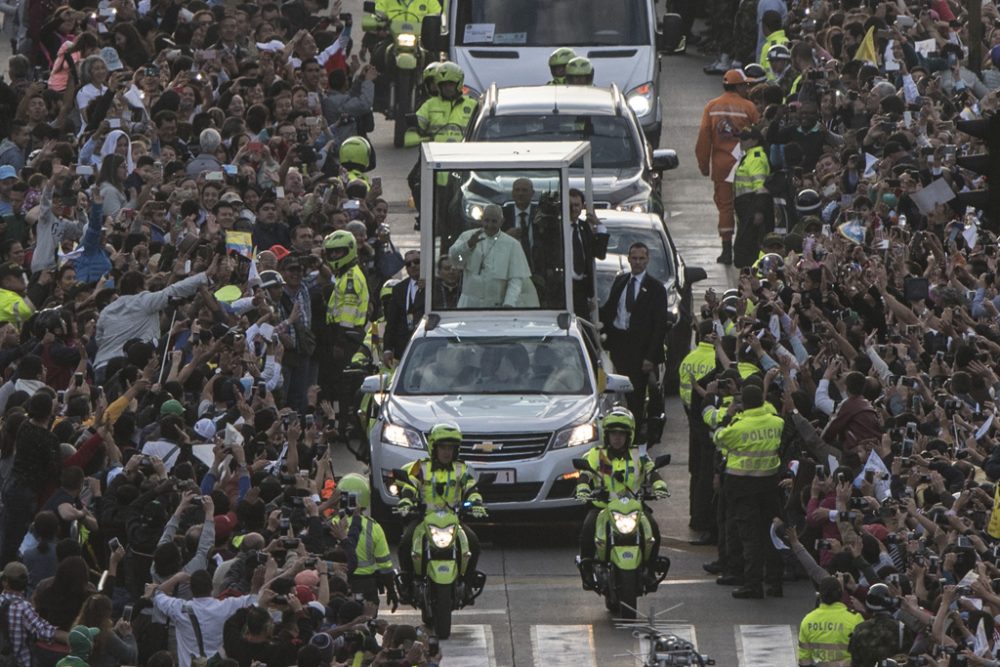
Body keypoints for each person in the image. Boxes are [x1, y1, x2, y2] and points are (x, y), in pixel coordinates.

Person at [575, 408, 669, 587]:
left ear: (629, 436)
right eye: (613, 434)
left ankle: (649, 569)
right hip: (603, 506)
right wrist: (582, 488)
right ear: (607, 435)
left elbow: (651, 471)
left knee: (653, 529)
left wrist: (659, 485)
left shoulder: (638, 455)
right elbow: (585, 473)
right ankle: (587, 571)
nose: (617, 438)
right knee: (588, 528)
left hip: (634, 507)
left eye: (621, 434)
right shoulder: (598, 454)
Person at [395, 422, 486, 602]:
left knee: (473, 542)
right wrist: (406, 501)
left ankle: (467, 585)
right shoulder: (420, 467)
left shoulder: (462, 469)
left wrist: (476, 502)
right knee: (405, 542)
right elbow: (410, 485)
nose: (447, 452)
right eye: (443, 447)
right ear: (434, 448)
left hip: (453, 521)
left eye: (451, 448)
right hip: (424, 520)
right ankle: (406, 584)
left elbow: (471, 488)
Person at [712, 383, 784, 599]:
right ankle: (774, 583)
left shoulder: (738, 427)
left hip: (743, 488)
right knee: (771, 534)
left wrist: (728, 417)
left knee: (749, 537)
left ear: (743, 403)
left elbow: (718, 438)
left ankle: (753, 584)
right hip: (770, 486)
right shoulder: (777, 422)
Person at [598, 242, 669, 427]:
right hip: (619, 346)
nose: (637, 262)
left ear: (647, 260)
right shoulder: (621, 281)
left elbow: (659, 326)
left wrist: (650, 358)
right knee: (614, 391)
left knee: (635, 396)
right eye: (634, 258)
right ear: (628, 259)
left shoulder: (656, 289)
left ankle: (636, 433)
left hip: (640, 351)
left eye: (641, 259)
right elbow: (609, 310)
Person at [695, 69, 760, 265]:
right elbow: (759, 135)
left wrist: (704, 165)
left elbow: (704, 138)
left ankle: (726, 250)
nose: (747, 88)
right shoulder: (749, 107)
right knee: (746, 204)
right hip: (746, 165)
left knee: (725, 207)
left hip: (721, 166)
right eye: (745, 85)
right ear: (737, 86)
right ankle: (745, 246)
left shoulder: (712, 107)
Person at [404, 62, 478, 230]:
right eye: (444, 85)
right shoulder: (430, 105)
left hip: (463, 160)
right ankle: (425, 214)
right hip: (434, 159)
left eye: (451, 84)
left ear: (458, 84)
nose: (447, 88)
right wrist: (422, 135)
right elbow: (415, 128)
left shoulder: (472, 105)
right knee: (414, 180)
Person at [150, 569, 260, 667]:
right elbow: (254, 602)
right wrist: (255, 586)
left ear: (191, 589)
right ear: (211, 586)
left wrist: (177, 577)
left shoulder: (179, 609)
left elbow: (157, 593)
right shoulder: (227, 606)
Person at [321, 230, 370, 424]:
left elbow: (348, 313)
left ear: (349, 251)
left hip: (347, 336)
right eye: (331, 253)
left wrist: (340, 342)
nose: (334, 257)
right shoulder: (346, 274)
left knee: (344, 384)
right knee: (341, 383)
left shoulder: (350, 277)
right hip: (346, 335)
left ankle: (345, 424)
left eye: (338, 252)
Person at [448, 204, 537, 309]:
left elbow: (516, 279)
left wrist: (509, 303)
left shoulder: (512, 244)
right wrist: (468, 246)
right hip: (469, 304)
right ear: (482, 220)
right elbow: (456, 260)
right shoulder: (467, 236)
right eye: (486, 220)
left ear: (502, 221)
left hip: (496, 305)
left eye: (494, 221)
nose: (490, 225)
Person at [337, 473, 398, 610]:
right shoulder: (373, 527)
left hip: (338, 585)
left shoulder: (332, 524)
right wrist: (391, 591)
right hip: (367, 587)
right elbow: (385, 566)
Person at [0, 561, 68, 666]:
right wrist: (72, 637)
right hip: (20, 662)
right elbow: (44, 631)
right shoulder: (23, 608)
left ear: (5, 582)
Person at [798, 576, 861, 667]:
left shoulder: (808, 621)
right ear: (841, 594)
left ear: (820, 595)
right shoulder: (855, 619)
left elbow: (804, 660)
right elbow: (863, 655)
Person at [731, 127, 771, 268]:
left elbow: (760, 187)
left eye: (744, 138)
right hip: (745, 210)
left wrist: (758, 211)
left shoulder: (756, 158)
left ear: (754, 141)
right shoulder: (749, 156)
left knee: (746, 251)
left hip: (751, 209)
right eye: (740, 138)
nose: (740, 141)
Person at [568, 189, 606, 319]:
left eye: (576, 205)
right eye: (570, 205)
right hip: (564, 288)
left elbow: (599, 253)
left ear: (582, 206)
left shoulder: (584, 228)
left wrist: (599, 226)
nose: (573, 209)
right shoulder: (557, 228)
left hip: (581, 289)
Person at [382, 249, 423, 366]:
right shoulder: (399, 289)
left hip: (426, 347)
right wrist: (388, 349)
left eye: (416, 261)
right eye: (408, 264)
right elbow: (392, 322)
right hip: (404, 347)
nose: (413, 266)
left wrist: (428, 286)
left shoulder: (433, 284)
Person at [501, 178, 539, 269]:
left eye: (524, 190)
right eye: (517, 190)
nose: (520, 194)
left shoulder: (540, 213)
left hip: (536, 268)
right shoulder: (502, 215)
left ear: (532, 193)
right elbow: (490, 241)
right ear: (512, 193)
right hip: (509, 266)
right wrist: (505, 236)